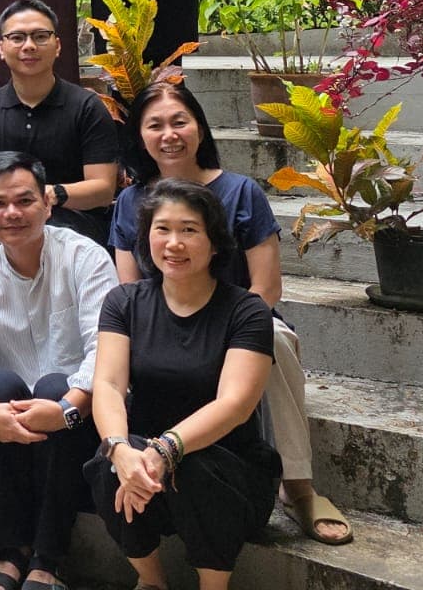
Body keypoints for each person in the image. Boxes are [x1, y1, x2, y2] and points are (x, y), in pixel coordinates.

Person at [115, 83, 352, 546]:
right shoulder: (129, 202)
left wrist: (228, 336)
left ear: (199, 128)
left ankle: (299, 487)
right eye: (155, 125)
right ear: (139, 136)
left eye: (179, 121)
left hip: (242, 319)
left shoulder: (240, 191)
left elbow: (267, 286)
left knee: (275, 340)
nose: (169, 134)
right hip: (164, 324)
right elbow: (130, 290)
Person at [86, 180, 280, 590]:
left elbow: (236, 404)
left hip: (228, 472)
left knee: (191, 467)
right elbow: (106, 384)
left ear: (214, 243)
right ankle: (150, 581)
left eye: (189, 230)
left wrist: (166, 449)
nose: (174, 243)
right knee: (109, 466)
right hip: (146, 466)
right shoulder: (124, 302)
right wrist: (121, 448)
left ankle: (213, 586)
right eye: (163, 229)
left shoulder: (246, 311)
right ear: (146, 238)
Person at [0, 151, 118, 590]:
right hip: (12, 428)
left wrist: (67, 410)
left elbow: (106, 351)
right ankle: (11, 548)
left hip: (79, 422)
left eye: (24, 200)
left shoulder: (86, 258)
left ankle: (48, 557)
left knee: (59, 383)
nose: (12, 213)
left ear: (47, 202)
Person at [0, 0, 119, 253]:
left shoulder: (87, 107)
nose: (29, 46)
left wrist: (46, 195)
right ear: (2, 48)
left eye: (40, 36)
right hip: (6, 216)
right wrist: (15, 199)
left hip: (70, 216)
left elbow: (102, 188)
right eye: (17, 37)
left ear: (57, 46)